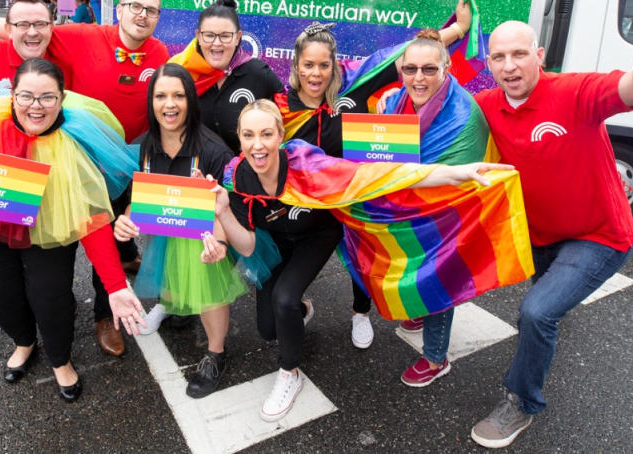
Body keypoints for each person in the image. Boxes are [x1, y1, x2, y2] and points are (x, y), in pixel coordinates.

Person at [468, 0, 633, 449]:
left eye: (519, 54)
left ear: (539, 55)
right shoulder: (486, 106)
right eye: (499, 57)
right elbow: (434, 127)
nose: (509, 66)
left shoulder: (575, 93)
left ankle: (521, 402)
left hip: (600, 235)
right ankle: (543, 334)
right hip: (541, 236)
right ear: (490, 63)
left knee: (537, 312)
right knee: (545, 310)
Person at [211, 100, 511, 422]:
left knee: (283, 298)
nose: (258, 145)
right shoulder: (236, 178)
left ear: (280, 135)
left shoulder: (308, 166)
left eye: (266, 134)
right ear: (239, 138)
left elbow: (379, 175)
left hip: (317, 235)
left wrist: (456, 173)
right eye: (248, 135)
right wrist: (224, 213)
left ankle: (289, 373)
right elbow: (246, 247)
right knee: (269, 329)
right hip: (279, 241)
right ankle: (300, 311)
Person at [0, 0, 171, 357]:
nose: (141, 15)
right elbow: (26, 28)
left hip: (121, 157)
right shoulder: (85, 34)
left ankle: (105, 314)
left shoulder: (160, 51)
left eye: (150, 10)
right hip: (76, 145)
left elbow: (93, 220)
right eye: (134, 6)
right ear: (118, 9)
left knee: (108, 231)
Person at [0, 58, 147, 401]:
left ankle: (60, 360)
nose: (35, 107)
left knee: (51, 298)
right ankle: (24, 342)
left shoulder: (72, 143)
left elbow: (92, 219)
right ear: (12, 96)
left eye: (47, 98)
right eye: (26, 96)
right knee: (0, 297)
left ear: (61, 99)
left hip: (48, 232)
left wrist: (115, 285)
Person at [276, 4, 473, 350]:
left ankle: (360, 312)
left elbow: (399, 55)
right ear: (296, 66)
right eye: (308, 65)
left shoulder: (354, 83)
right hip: (307, 200)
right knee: (290, 259)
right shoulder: (281, 106)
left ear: (335, 64)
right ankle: (296, 303)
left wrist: (456, 30)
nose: (316, 73)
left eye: (324, 65)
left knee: (361, 255)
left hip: (356, 193)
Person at [112, 63, 246, 398]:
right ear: (151, 100)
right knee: (170, 269)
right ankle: (175, 307)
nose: (169, 104)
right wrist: (126, 221)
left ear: (190, 100)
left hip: (210, 238)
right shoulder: (145, 146)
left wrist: (219, 244)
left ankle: (216, 352)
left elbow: (231, 210)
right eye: (161, 96)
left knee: (207, 284)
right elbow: (137, 204)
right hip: (167, 232)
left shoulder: (213, 151)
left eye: (178, 95)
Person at [377, 29, 492, 387]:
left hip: (446, 211)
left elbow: (452, 182)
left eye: (429, 69)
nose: (419, 77)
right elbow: (388, 152)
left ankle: (436, 357)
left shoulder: (463, 115)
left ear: (446, 68)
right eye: (410, 69)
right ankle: (420, 312)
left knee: (437, 274)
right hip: (411, 201)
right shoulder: (399, 100)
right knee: (411, 264)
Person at [172, 0, 283, 153]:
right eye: (209, 35)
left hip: (244, 174)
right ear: (198, 36)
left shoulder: (259, 75)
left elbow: (288, 126)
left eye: (225, 36)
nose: (217, 43)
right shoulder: (183, 76)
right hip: (194, 174)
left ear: (238, 37)